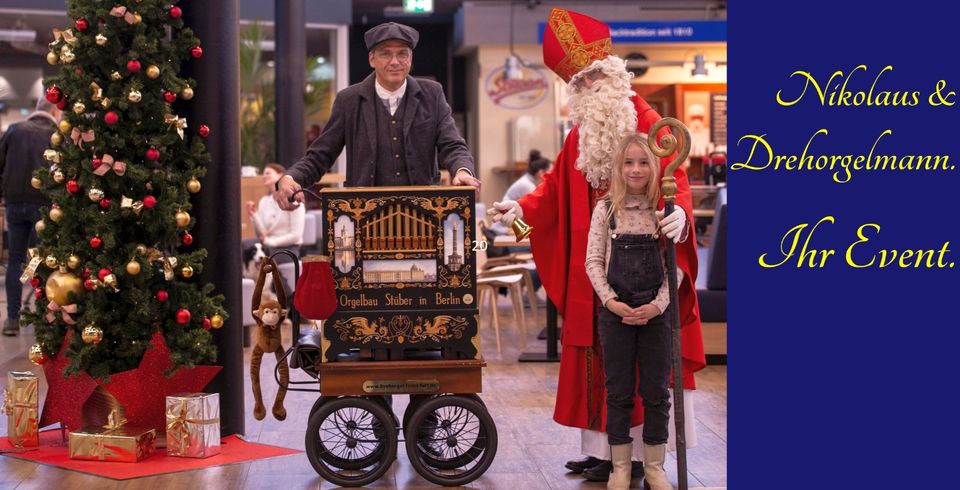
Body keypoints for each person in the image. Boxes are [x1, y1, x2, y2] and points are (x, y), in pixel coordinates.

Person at [490, 8, 705, 483]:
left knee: (646, 368)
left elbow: (679, 183)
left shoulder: (650, 121)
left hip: (647, 264)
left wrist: (680, 217)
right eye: (579, 81)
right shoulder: (579, 137)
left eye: (593, 76)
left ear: (612, 71)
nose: (588, 86)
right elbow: (552, 190)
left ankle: (650, 459)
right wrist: (522, 210)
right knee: (602, 362)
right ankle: (608, 453)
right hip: (599, 270)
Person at [275, 21, 480, 209]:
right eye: (385, 54)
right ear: (371, 59)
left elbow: (452, 145)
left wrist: (463, 171)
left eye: (402, 53)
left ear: (411, 58)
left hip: (424, 211)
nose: (395, 61)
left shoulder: (432, 94)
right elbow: (321, 155)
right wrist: (291, 177)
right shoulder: (349, 100)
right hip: (365, 212)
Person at [585, 134, 676, 490]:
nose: (636, 169)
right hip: (615, 314)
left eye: (643, 162)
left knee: (656, 392)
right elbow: (593, 261)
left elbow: (675, 267)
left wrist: (658, 305)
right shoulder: (605, 209)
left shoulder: (665, 210)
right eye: (628, 163)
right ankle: (620, 467)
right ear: (618, 168)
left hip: (656, 314)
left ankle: (655, 467)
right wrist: (610, 301)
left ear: (653, 167)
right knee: (618, 391)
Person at [0, 98, 60, 336]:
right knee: (45, 261)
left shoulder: (14, 130)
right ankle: (44, 319)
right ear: (54, 110)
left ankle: (12, 319)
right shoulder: (55, 134)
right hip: (45, 206)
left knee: (15, 260)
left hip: (14, 204)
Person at [244, 163, 305, 294]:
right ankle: (249, 292)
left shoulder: (294, 201)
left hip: (289, 248)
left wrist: (270, 242)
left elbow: (296, 235)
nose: (264, 176)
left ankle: (285, 298)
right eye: (263, 173)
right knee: (245, 246)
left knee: (266, 258)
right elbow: (261, 233)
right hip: (267, 246)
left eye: (268, 173)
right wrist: (254, 215)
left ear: (281, 176)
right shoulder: (264, 201)